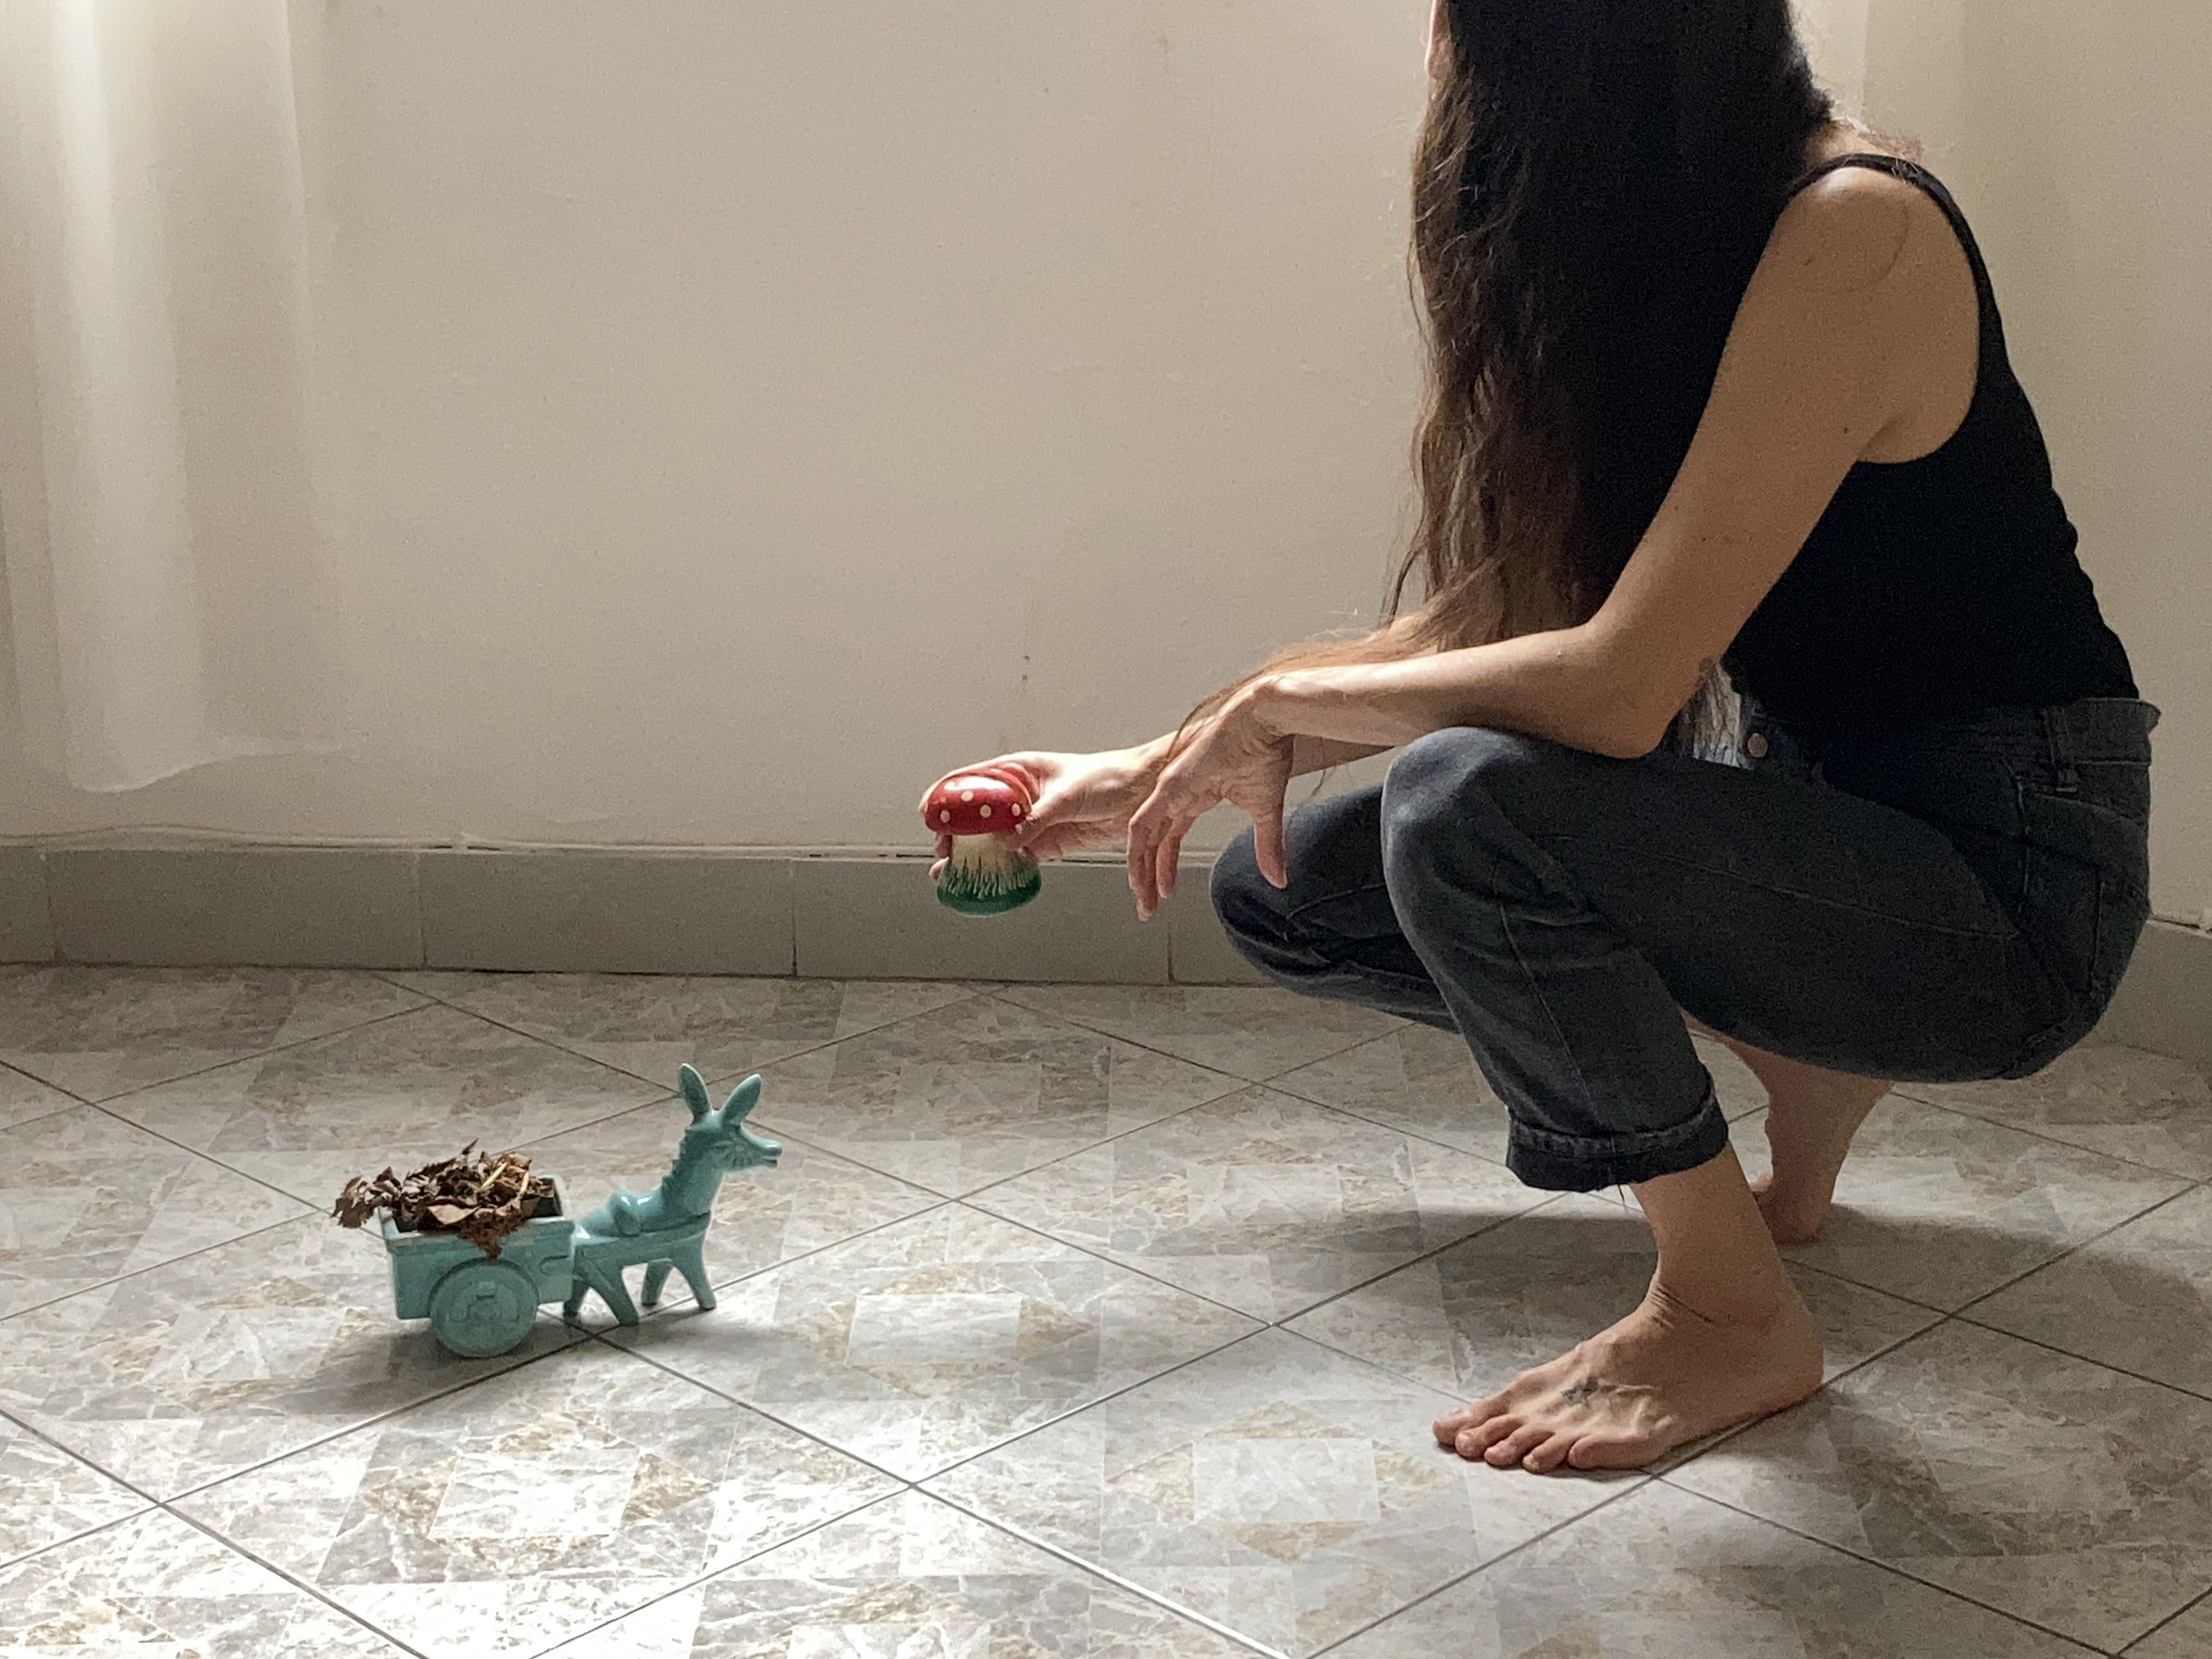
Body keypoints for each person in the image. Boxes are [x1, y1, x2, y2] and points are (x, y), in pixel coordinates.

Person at [922, 0, 2153, 1474]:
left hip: (2008, 897)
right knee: (1286, 888)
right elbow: (1519, 615)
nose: (1434, 48)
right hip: (1835, 834)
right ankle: (1802, 1059)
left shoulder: (1854, 232)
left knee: (1466, 807)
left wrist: (1277, 707)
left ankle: (1727, 1310)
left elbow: (1614, 687)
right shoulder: (1688, 238)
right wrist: (1166, 764)